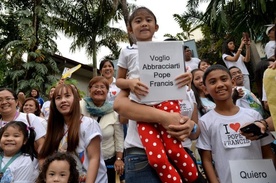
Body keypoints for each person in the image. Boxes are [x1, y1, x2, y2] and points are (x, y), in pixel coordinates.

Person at [116, 7, 198, 183]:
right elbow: (119, 83)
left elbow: (194, 125)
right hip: (140, 136)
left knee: (175, 150)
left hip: (169, 105)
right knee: (158, 158)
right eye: (138, 21)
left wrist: (188, 77)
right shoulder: (127, 52)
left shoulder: (168, 51)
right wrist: (130, 83)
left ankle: (196, 179)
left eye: (148, 20)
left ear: (156, 27)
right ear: (130, 29)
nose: (144, 23)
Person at [196, 65, 275, 183]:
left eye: (224, 79)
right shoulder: (205, 122)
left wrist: (271, 177)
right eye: (212, 82)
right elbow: (206, 160)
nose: (220, 85)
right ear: (205, 89)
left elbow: (267, 151)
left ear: (233, 83)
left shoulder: (253, 116)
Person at [39, 84, 108, 183]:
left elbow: (94, 159)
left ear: (75, 99)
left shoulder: (88, 124)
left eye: (67, 96)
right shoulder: (55, 128)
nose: (63, 100)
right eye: (58, 98)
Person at [82, 76, 124, 183]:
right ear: (89, 89)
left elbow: (119, 138)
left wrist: (119, 159)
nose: (99, 90)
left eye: (102, 87)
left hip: (108, 161)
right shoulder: (80, 107)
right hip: (83, 161)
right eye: (95, 86)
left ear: (107, 91)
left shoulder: (114, 111)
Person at [0, 88, 46, 153]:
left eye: (8, 98)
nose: (4, 102)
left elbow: (42, 145)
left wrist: (42, 161)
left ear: (16, 102)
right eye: (0, 100)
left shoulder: (30, 118)